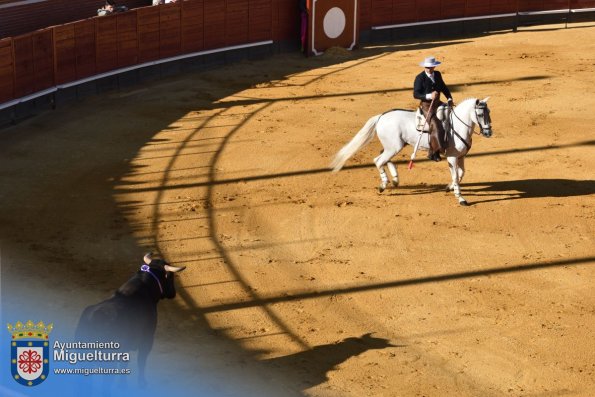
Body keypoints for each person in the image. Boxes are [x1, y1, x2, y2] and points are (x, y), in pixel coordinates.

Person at [413, 56, 454, 162]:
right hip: (427, 106)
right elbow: (416, 94)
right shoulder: (420, 78)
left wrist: (449, 97)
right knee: (436, 125)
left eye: (431, 67)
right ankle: (434, 152)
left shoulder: (438, 74)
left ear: (434, 67)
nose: (429, 69)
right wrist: (429, 96)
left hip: (437, 103)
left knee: (451, 116)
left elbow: (443, 87)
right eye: (427, 67)